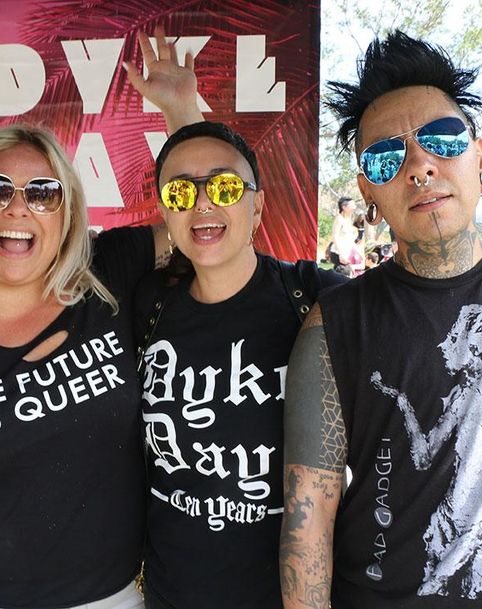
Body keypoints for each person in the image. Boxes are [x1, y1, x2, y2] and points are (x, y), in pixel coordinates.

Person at [280, 31, 482, 609]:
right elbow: (309, 520)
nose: (420, 167)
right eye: (387, 155)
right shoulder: (334, 325)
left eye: (442, 139)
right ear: (368, 192)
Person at [0, 28, 201, 609]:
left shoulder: (105, 272)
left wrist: (181, 112)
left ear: (67, 215)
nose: (19, 207)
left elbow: (211, 221)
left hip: (113, 598)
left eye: (43, 192)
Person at [136, 121, 346, 609]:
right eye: (182, 192)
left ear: (258, 206)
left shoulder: (315, 297)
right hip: (173, 593)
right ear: (167, 213)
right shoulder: (147, 304)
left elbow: (424, 297)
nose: (204, 204)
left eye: (225, 187)